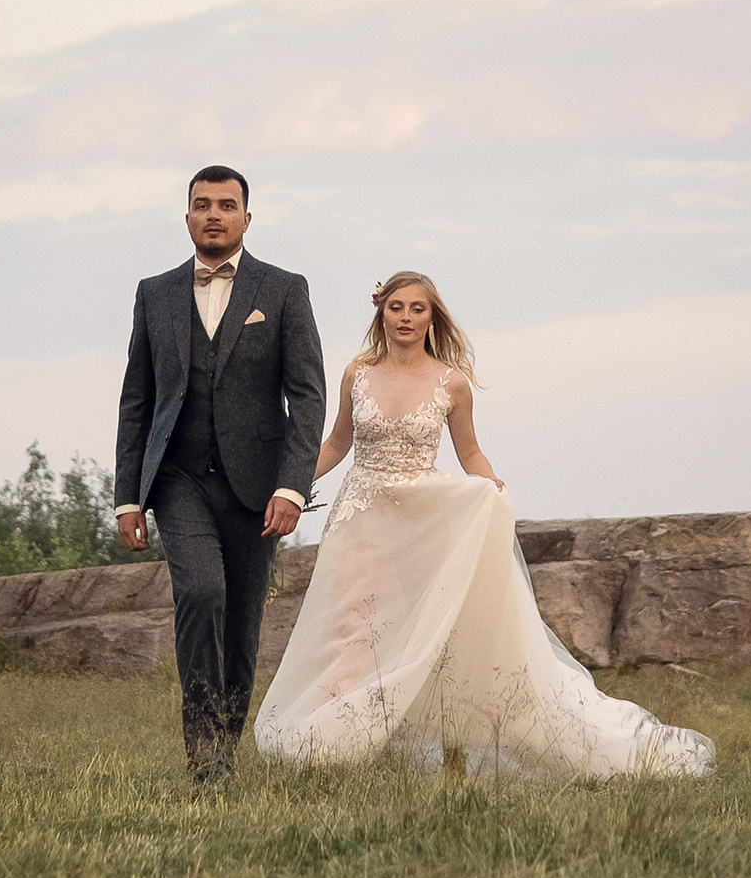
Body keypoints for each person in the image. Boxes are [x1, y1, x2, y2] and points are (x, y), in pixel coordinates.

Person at [253, 271, 714, 780]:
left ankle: (454, 748)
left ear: (433, 318)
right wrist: (284, 484)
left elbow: (468, 451)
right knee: (350, 631)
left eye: (417, 309)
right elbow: (337, 444)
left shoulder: (451, 381)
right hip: (362, 517)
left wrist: (491, 489)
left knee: (436, 633)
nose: (406, 318)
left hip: (424, 522)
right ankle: (329, 747)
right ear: (380, 312)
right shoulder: (356, 374)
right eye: (397, 308)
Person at [115, 165, 326, 782]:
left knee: (241, 626)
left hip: (257, 488)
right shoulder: (154, 293)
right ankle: (203, 757)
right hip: (177, 477)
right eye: (202, 205)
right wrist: (128, 496)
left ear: (246, 218)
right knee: (201, 592)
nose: (214, 214)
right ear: (187, 218)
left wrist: (292, 486)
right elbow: (137, 397)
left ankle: (225, 746)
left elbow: (307, 395)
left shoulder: (284, 289)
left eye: (226, 205)